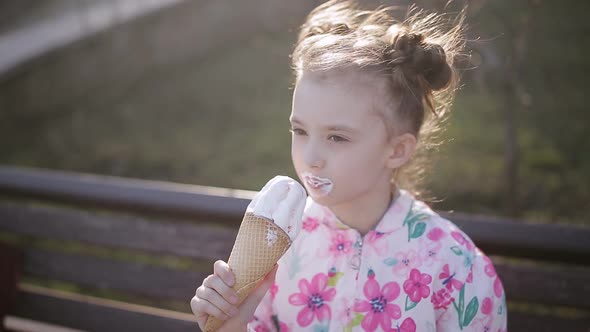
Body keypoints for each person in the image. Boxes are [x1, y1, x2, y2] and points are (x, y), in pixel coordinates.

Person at [190, 0, 507, 331]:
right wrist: (230, 326)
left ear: (397, 150)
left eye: (337, 138)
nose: (310, 156)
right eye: (300, 131)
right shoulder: (281, 244)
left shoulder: (457, 268)